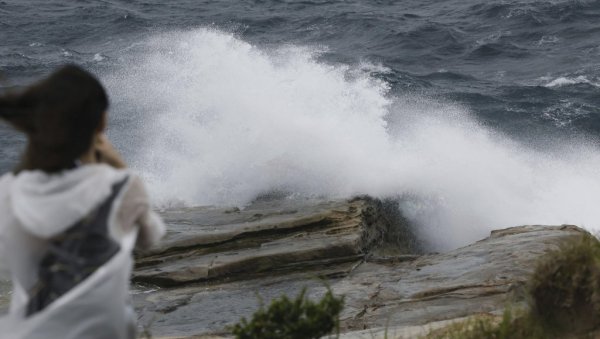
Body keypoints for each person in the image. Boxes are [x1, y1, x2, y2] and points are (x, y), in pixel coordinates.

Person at [0, 65, 165, 339]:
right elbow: (150, 238)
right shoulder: (119, 185)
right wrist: (117, 166)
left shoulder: (8, 191)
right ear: (101, 123)